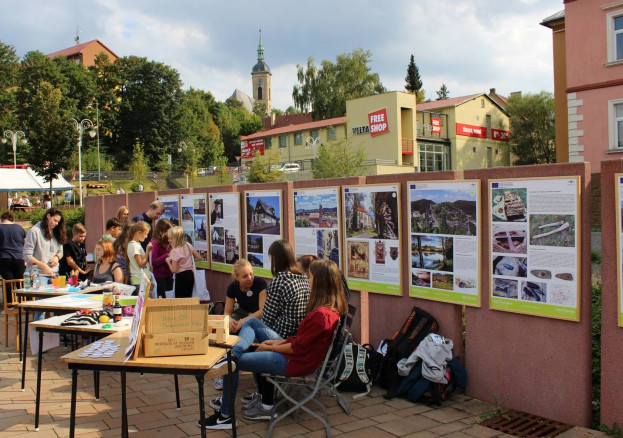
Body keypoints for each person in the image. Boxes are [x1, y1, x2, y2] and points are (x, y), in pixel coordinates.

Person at [202, 260, 347, 429]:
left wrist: (270, 347)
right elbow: (302, 340)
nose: (308, 280)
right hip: (296, 355)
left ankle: (225, 416)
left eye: (310, 277)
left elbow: (297, 347)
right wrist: (279, 342)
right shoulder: (328, 309)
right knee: (252, 324)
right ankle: (235, 353)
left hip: (294, 362)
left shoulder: (322, 315)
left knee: (230, 364)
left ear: (320, 281)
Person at [211, 259, 268, 391]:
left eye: (251, 274)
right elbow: (227, 312)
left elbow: (261, 311)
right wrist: (230, 321)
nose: (250, 278)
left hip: (257, 317)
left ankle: (255, 373)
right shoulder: (232, 287)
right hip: (241, 313)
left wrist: (242, 322)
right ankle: (221, 371)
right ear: (236, 277)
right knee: (225, 328)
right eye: (245, 276)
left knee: (251, 333)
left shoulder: (260, 283)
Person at [261, 239, 311, 339]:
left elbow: (267, 318)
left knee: (251, 322)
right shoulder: (304, 278)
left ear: (276, 258)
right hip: (298, 334)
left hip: (281, 335)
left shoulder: (280, 281)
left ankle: (234, 352)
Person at [23, 207, 66, 320]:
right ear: (48, 216)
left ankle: (56, 335)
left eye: (58, 222)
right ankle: (39, 335)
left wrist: (57, 257)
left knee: (58, 306)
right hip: (40, 275)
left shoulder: (57, 232)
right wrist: (43, 265)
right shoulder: (34, 231)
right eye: (55, 220)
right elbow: (27, 255)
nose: (56, 224)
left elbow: (60, 252)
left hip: (54, 273)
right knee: (41, 308)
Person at [163, 226, 201, 298]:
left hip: (181, 277)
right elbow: (199, 257)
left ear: (177, 238)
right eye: (168, 238)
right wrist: (189, 261)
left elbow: (174, 270)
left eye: (171, 238)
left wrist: (168, 262)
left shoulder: (174, 251)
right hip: (190, 275)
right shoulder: (187, 245)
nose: (169, 240)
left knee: (180, 300)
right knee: (189, 298)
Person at [0, 211, 27, 295]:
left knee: (8, 282)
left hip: (3, 257)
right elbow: (25, 243)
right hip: (19, 257)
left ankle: (9, 304)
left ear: (2, 219)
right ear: (13, 219)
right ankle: (22, 300)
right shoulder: (19, 228)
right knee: (20, 281)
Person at [150, 218, 173, 298]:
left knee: (170, 297)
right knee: (164, 298)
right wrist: (167, 255)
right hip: (160, 276)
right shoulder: (155, 243)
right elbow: (154, 261)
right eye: (168, 231)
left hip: (169, 275)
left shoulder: (168, 242)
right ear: (163, 231)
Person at [127, 221, 151, 295]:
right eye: (145, 234)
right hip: (139, 281)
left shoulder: (136, 244)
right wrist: (147, 251)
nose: (146, 236)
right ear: (139, 233)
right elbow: (140, 264)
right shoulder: (134, 246)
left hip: (141, 280)